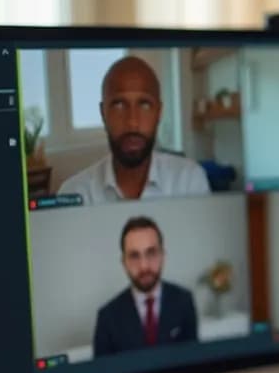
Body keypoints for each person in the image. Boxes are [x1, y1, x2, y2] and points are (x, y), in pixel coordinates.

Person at [59, 56, 210, 204]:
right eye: (119, 105)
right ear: (103, 113)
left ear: (159, 112)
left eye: (144, 105)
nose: (132, 122)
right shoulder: (75, 194)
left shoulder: (189, 183)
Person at [93, 217, 199, 356]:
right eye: (134, 256)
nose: (144, 266)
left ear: (162, 255)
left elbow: (194, 363)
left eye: (151, 253)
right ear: (124, 262)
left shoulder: (184, 301)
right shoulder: (107, 317)